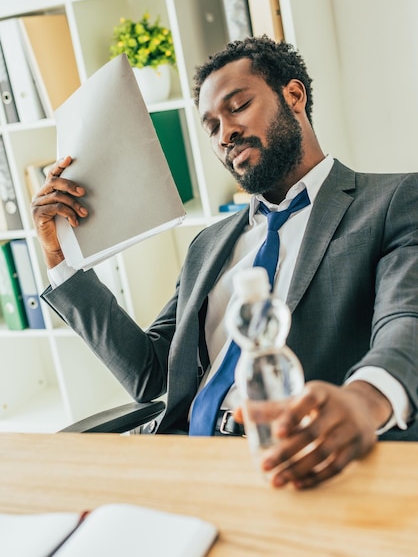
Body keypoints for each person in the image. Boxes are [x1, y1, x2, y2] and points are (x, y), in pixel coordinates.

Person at [32, 36, 418, 490]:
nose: (225, 134)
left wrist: (364, 400)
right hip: (184, 456)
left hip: (296, 462)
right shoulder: (208, 245)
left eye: (237, 107)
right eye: (211, 126)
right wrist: (61, 259)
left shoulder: (391, 201)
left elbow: (405, 320)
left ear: (294, 96)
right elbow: (149, 373)